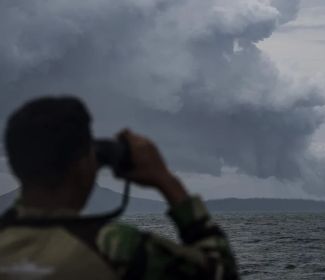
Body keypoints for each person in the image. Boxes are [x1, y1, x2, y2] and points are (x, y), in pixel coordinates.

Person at [0, 96, 239, 280]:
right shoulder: (114, 246)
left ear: (15, 164)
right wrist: (165, 179)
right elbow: (220, 271)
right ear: (83, 166)